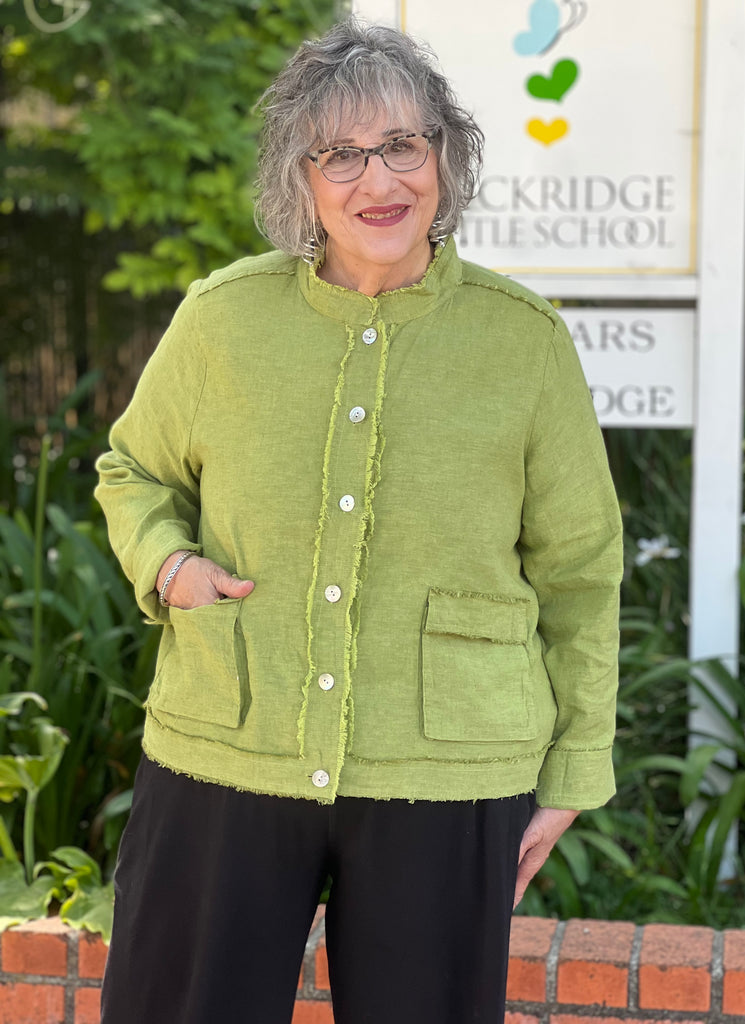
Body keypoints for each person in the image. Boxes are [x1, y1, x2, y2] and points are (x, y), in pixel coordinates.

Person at [95, 17, 623, 1024]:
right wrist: (168, 565)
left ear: (445, 155)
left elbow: (582, 571)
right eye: (339, 152)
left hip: (448, 767)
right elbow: (134, 471)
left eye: (401, 144)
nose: (377, 179)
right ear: (300, 178)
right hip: (228, 746)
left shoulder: (524, 343)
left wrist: (574, 766)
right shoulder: (222, 319)